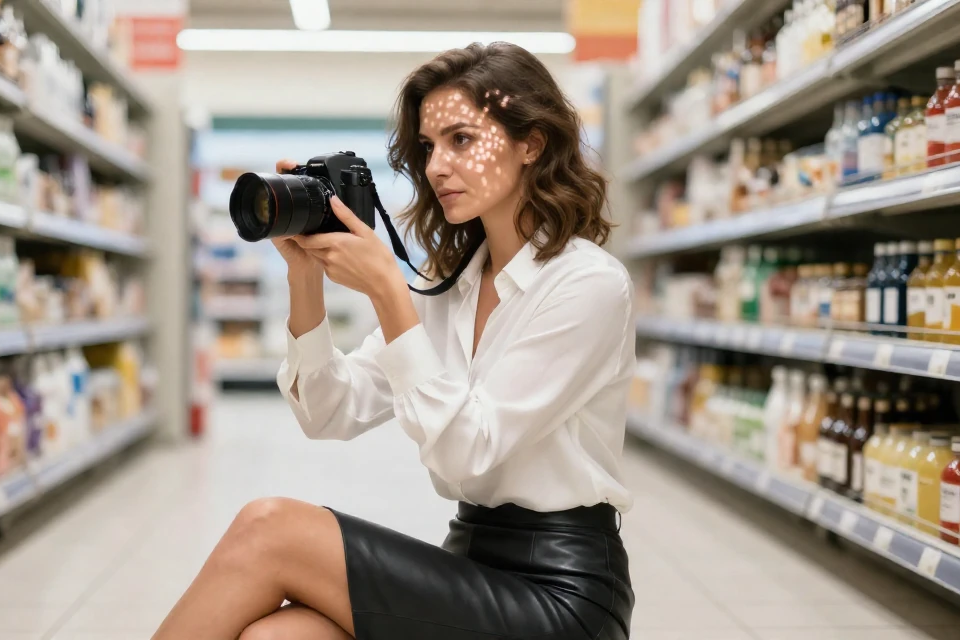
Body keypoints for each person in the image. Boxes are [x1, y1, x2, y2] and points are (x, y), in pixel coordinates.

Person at [154, 42, 635, 640]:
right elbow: (330, 411)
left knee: (268, 528)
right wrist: (304, 280)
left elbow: (468, 449)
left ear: (530, 144)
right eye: (429, 147)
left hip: (561, 594)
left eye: (461, 140)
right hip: (469, 563)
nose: (436, 167)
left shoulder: (586, 284)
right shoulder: (451, 284)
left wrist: (388, 290)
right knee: (279, 637)